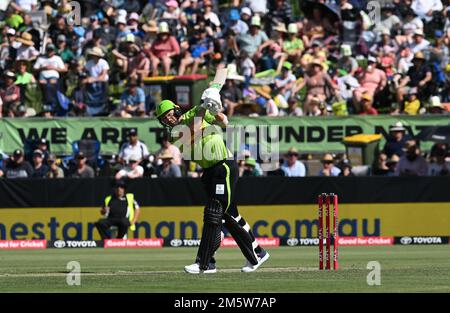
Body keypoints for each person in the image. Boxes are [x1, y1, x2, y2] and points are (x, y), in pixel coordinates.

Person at [155, 89, 269, 274]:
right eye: (163, 118)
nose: (168, 119)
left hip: (222, 165)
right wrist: (202, 108)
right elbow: (192, 131)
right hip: (209, 172)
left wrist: (214, 107)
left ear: (176, 110)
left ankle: (204, 263)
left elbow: (224, 122)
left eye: (169, 114)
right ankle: (257, 253)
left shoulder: (195, 111)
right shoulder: (174, 134)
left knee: (214, 212)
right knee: (229, 214)